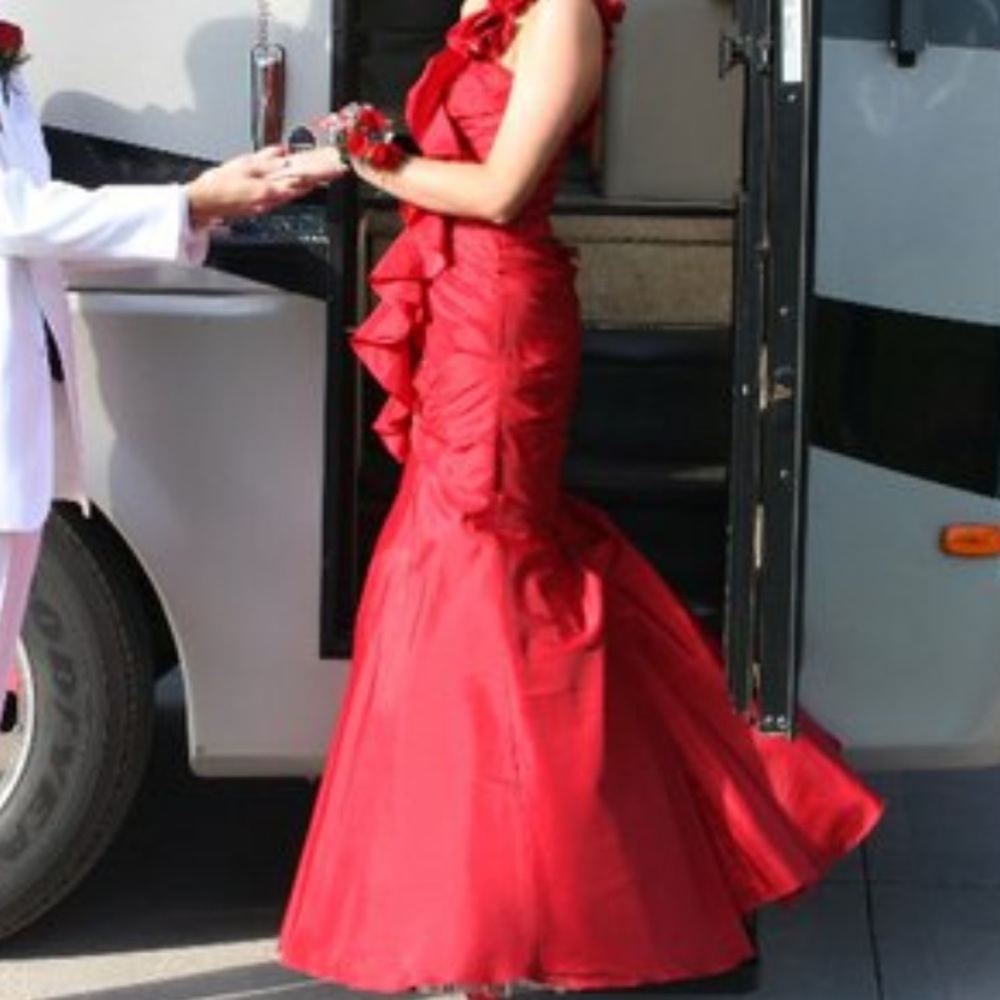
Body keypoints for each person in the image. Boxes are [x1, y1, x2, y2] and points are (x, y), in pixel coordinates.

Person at [278, 0, 884, 992]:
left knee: (485, 572)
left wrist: (371, 160)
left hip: (502, 321)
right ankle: (472, 903)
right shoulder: (487, 12)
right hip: (461, 310)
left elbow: (503, 189)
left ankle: (536, 899)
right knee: (456, 573)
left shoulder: (566, 16)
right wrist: (371, 146)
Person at [0, 17, 311, 706]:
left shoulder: (9, 73)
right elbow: (15, 215)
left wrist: (192, 215)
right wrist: (189, 201)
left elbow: (39, 239)